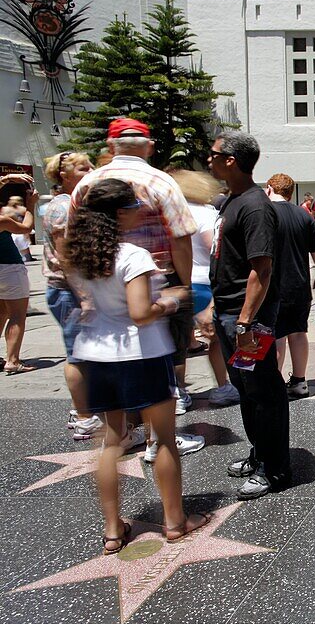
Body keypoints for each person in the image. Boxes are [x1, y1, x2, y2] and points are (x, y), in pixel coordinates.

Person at [65, 178, 209, 553]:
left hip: (95, 353)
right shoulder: (132, 255)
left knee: (112, 441)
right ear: (120, 213)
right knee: (162, 438)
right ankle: (175, 520)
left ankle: (113, 528)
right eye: (132, 208)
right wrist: (172, 299)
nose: (137, 213)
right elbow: (140, 313)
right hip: (140, 354)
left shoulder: (78, 253)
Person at [71, 118, 197, 417]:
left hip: (98, 276)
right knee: (161, 351)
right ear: (149, 146)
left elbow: (70, 235)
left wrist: (80, 288)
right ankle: (165, 408)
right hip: (155, 278)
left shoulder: (87, 182)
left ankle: (112, 420)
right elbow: (180, 238)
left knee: (107, 353)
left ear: (110, 145)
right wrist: (185, 286)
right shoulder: (161, 181)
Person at [206, 130, 291, 499]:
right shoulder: (232, 201)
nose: (207, 160)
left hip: (248, 319)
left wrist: (244, 322)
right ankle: (260, 455)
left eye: (212, 154)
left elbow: (262, 270)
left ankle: (275, 469)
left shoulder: (255, 206)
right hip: (229, 312)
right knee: (245, 389)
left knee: (264, 391)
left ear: (231, 161)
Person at [172, 169, 241, 413]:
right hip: (204, 283)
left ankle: (178, 391)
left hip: (178, 285)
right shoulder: (205, 214)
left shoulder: (169, 213)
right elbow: (215, 249)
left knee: (178, 342)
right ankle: (222, 386)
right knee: (215, 339)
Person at [40, 152, 97, 435]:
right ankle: (83, 415)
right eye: (82, 167)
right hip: (67, 291)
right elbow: (67, 257)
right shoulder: (62, 207)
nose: (91, 170)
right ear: (63, 175)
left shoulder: (77, 203)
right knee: (77, 354)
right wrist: (85, 295)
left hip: (73, 290)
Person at [267, 173, 315, 400]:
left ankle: (274, 383)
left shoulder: (266, 213)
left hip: (274, 285)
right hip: (300, 284)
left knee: (276, 335)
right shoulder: (304, 215)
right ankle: (300, 381)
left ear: (270, 188)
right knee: (299, 332)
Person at [0, 173, 36, 375]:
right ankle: (12, 360)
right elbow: (26, 229)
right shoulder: (2, 220)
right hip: (9, 268)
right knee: (16, 314)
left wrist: (5, 179)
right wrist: (30, 204)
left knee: (1, 312)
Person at [2, 196, 32, 262]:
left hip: (9, 232)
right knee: (24, 252)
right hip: (19, 230)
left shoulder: (4, 209)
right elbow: (27, 227)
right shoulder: (22, 209)